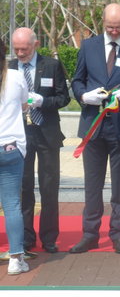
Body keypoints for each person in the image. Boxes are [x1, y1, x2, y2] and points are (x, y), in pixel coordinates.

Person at [70, 3, 120, 254]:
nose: (114, 31)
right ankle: (90, 233)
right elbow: (77, 80)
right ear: (102, 23)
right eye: (110, 27)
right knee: (93, 184)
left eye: (119, 27)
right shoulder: (88, 46)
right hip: (93, 125)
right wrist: (83, 96)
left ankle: (118, 234)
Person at [9, 28, 70, 254]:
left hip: (47, 132)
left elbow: (64, 97)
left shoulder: (51, 66)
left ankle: (49, 237)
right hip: (20, 135)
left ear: (35, 45)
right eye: (16, 49)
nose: (20, 53)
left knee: (49, 187)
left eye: (24, 49)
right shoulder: (10, 68)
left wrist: (43, 100)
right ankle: (26, 237)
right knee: (24, 188)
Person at [0, 38, 30, 274]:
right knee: (12, 205)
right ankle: (15, 259)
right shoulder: (15, 77)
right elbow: (24, 104)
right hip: (10, 147)